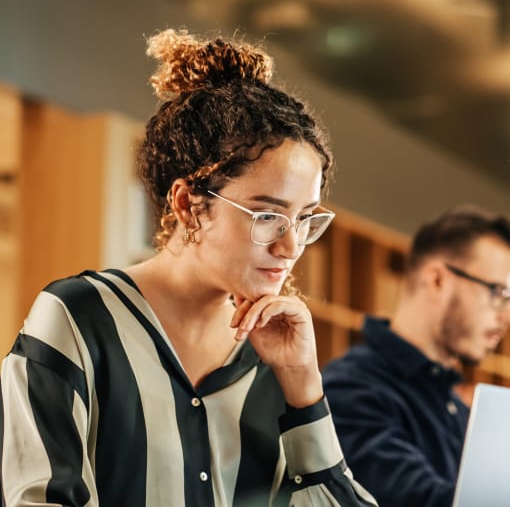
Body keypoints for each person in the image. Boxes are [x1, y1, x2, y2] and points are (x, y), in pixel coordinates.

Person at [0, 28, 377, 507]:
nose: (290, 246)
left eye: (304, 219)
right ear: (189, 205)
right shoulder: (78, 319)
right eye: (268, 216)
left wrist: (304, 388)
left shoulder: (275, 362)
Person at [322, 205, 510, 507]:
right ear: (437, 280)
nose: (506, 317)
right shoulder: (349, 389)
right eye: (499, 293)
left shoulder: (455, 410)